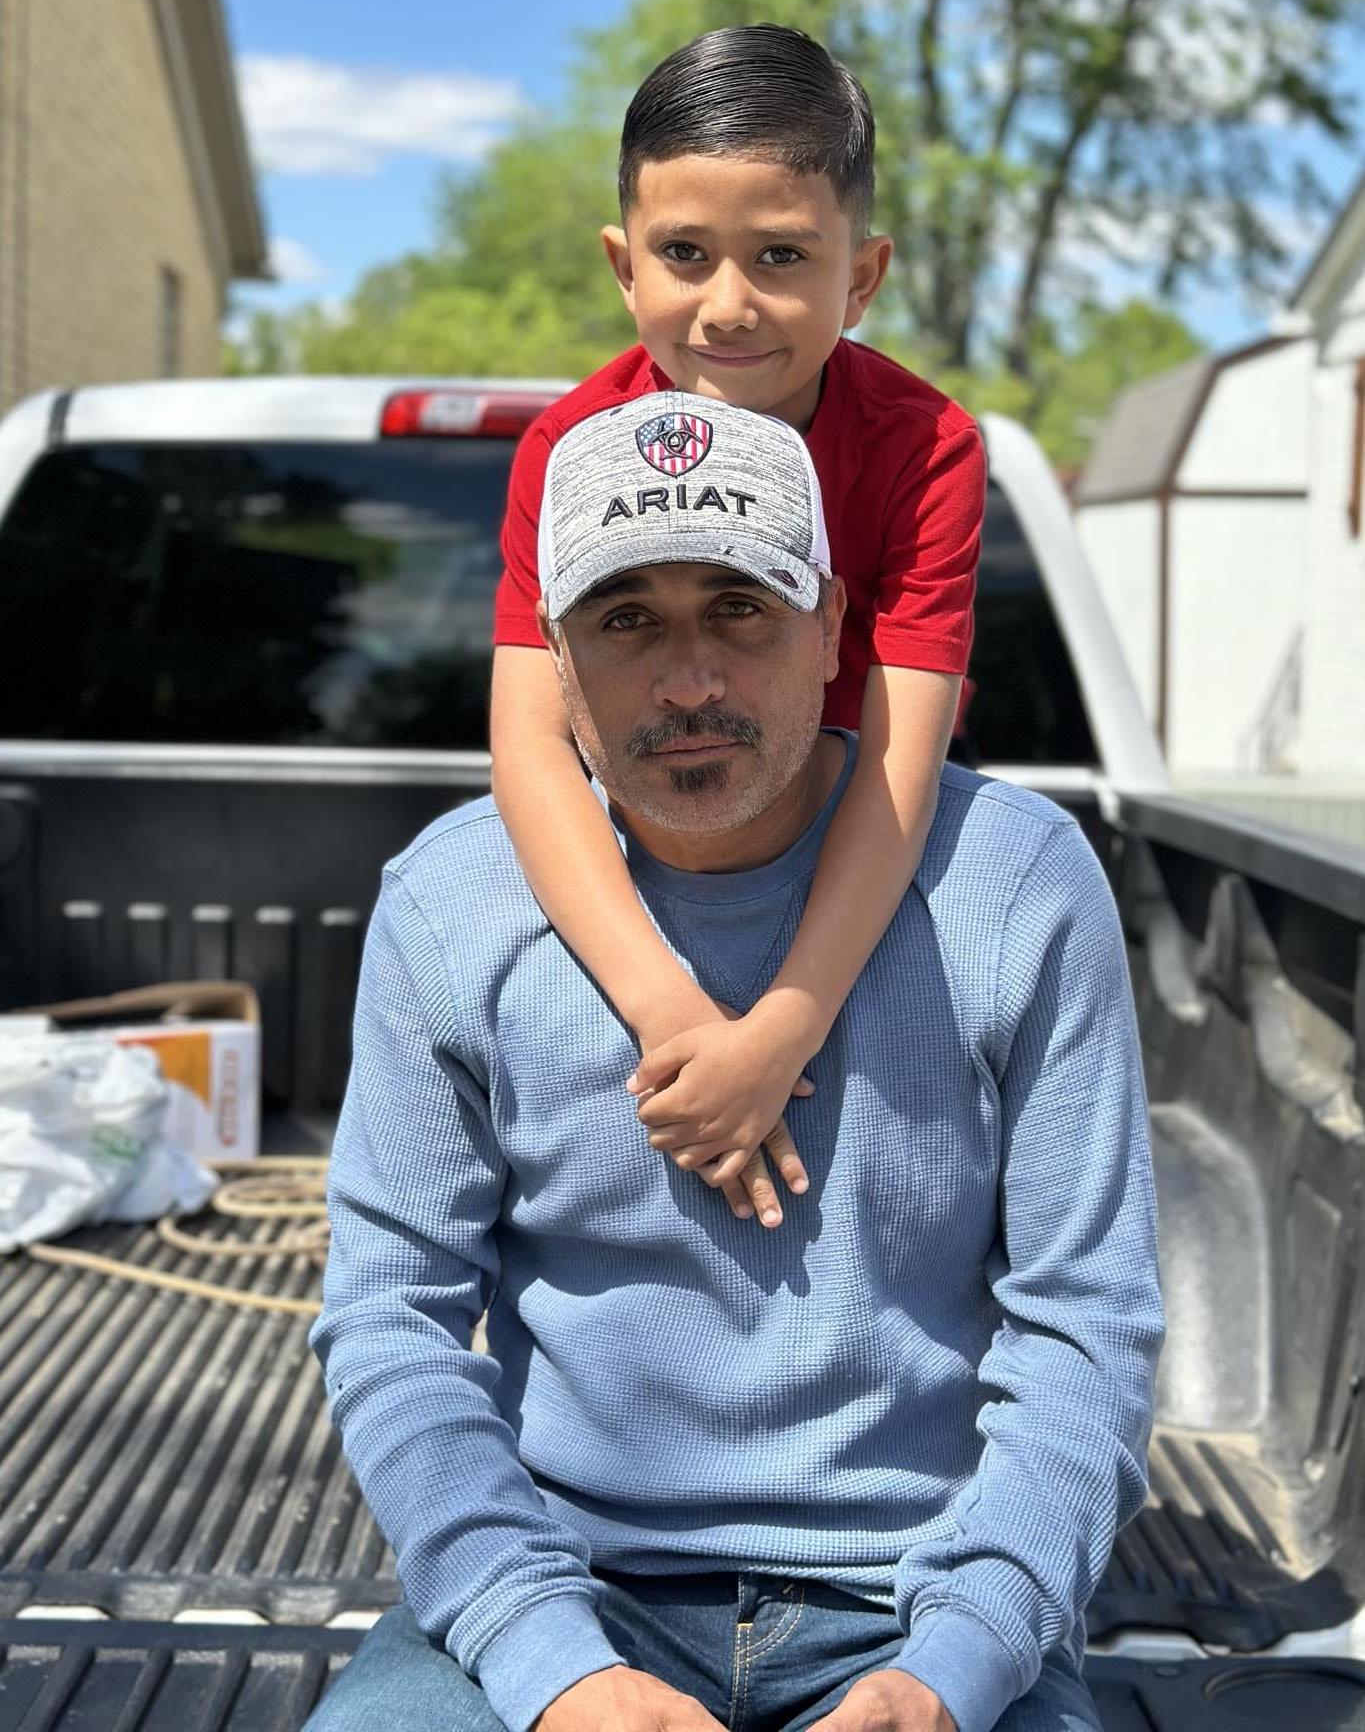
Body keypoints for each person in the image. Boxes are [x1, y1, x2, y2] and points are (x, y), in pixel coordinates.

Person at [306, 396, 1164, 1732]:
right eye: (626, 619)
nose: (688, 680)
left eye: (740, 609)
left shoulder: (1017, 885)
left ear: (831, 626)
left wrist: (958, 1662)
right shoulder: (451, 903)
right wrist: (549, 1663)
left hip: (919, 1595)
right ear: (553, 655)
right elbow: (391, 1321)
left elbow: (1088, 1323)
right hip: (572, 1584)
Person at [491, 24, 985, 1228]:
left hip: (858, 877)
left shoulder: (928, 449)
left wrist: (782, 1028)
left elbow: (901, 759)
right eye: (684, 253)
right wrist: (671, 1012)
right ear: (624, 265)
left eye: (780, 255)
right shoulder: (566, 452)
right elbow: (533, 741)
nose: (728, 304)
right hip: (642, 885)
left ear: (861, 276)